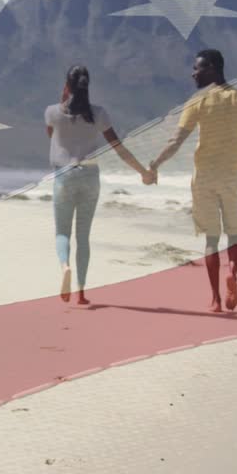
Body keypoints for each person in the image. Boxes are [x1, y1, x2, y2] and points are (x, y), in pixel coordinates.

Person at [147, 49, 237, 313]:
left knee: (211, 239)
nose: (193, 73)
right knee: (235, 233)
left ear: (212, 69)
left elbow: (176, 141)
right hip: (232, 177)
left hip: (204, 178)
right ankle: (233, 272)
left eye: (198, 68)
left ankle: (216, 300)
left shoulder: (198, 102)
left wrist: (155, 164)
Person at [46, 64, 154, 305]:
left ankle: (65, 267)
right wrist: (142, 172)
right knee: (83, 236)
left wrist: (63, 98)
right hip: (90, 177)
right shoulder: (99, 114)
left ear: (67, 85)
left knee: (63, 232)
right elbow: (118, 148)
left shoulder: (52, 112)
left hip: (64, 177)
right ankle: (81, 292)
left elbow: (51, 135)